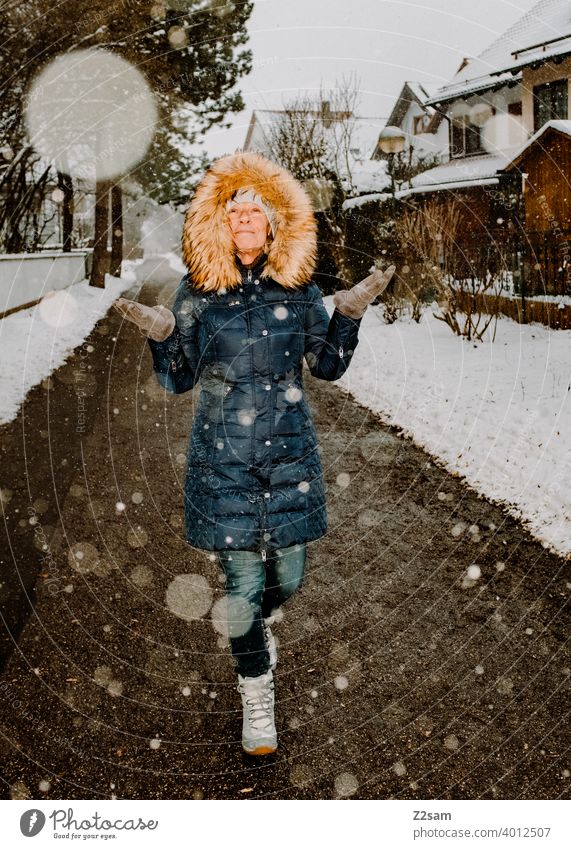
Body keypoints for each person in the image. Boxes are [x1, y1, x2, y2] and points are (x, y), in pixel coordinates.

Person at [113, 151, 394, 756]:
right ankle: (256, 692)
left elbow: (327, 366)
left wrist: (346, 314)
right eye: (235, 212)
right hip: (222, 460)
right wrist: (163, 337)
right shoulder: (198, 294)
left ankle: (254, 628)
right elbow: (177, 381)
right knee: (241, 586)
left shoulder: (298, 291)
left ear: (272, 226)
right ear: (221, 224)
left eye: (254, 213)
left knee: (287, 578)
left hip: (289, 455)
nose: (244, 221)